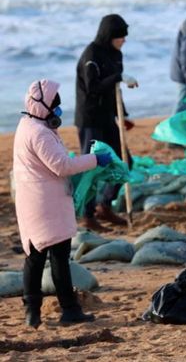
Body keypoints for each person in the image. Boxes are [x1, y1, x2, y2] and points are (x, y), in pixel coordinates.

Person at [15, 79, 112, 328]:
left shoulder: (28, 126)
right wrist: (94, 160)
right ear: (44, 106)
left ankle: (32, 312)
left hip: (35, 200)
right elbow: (62, 166)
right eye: (55, 106)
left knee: (34, 255)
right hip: (46, 203)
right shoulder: (39, 133)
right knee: (57, 256)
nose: (58, 111)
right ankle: (69, 310)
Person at [75, 13, 137, 232]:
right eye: (120, 37)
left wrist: (123, 116)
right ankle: (87, 214)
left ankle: (105, 205)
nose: (124, 40)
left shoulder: (115, 55)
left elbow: (114, 90)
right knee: (91, 166)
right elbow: (93, 88)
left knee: (125, 161)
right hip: (90, 118)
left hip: (108, 116)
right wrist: (118, 77)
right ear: (109, 35)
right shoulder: (91, 55)